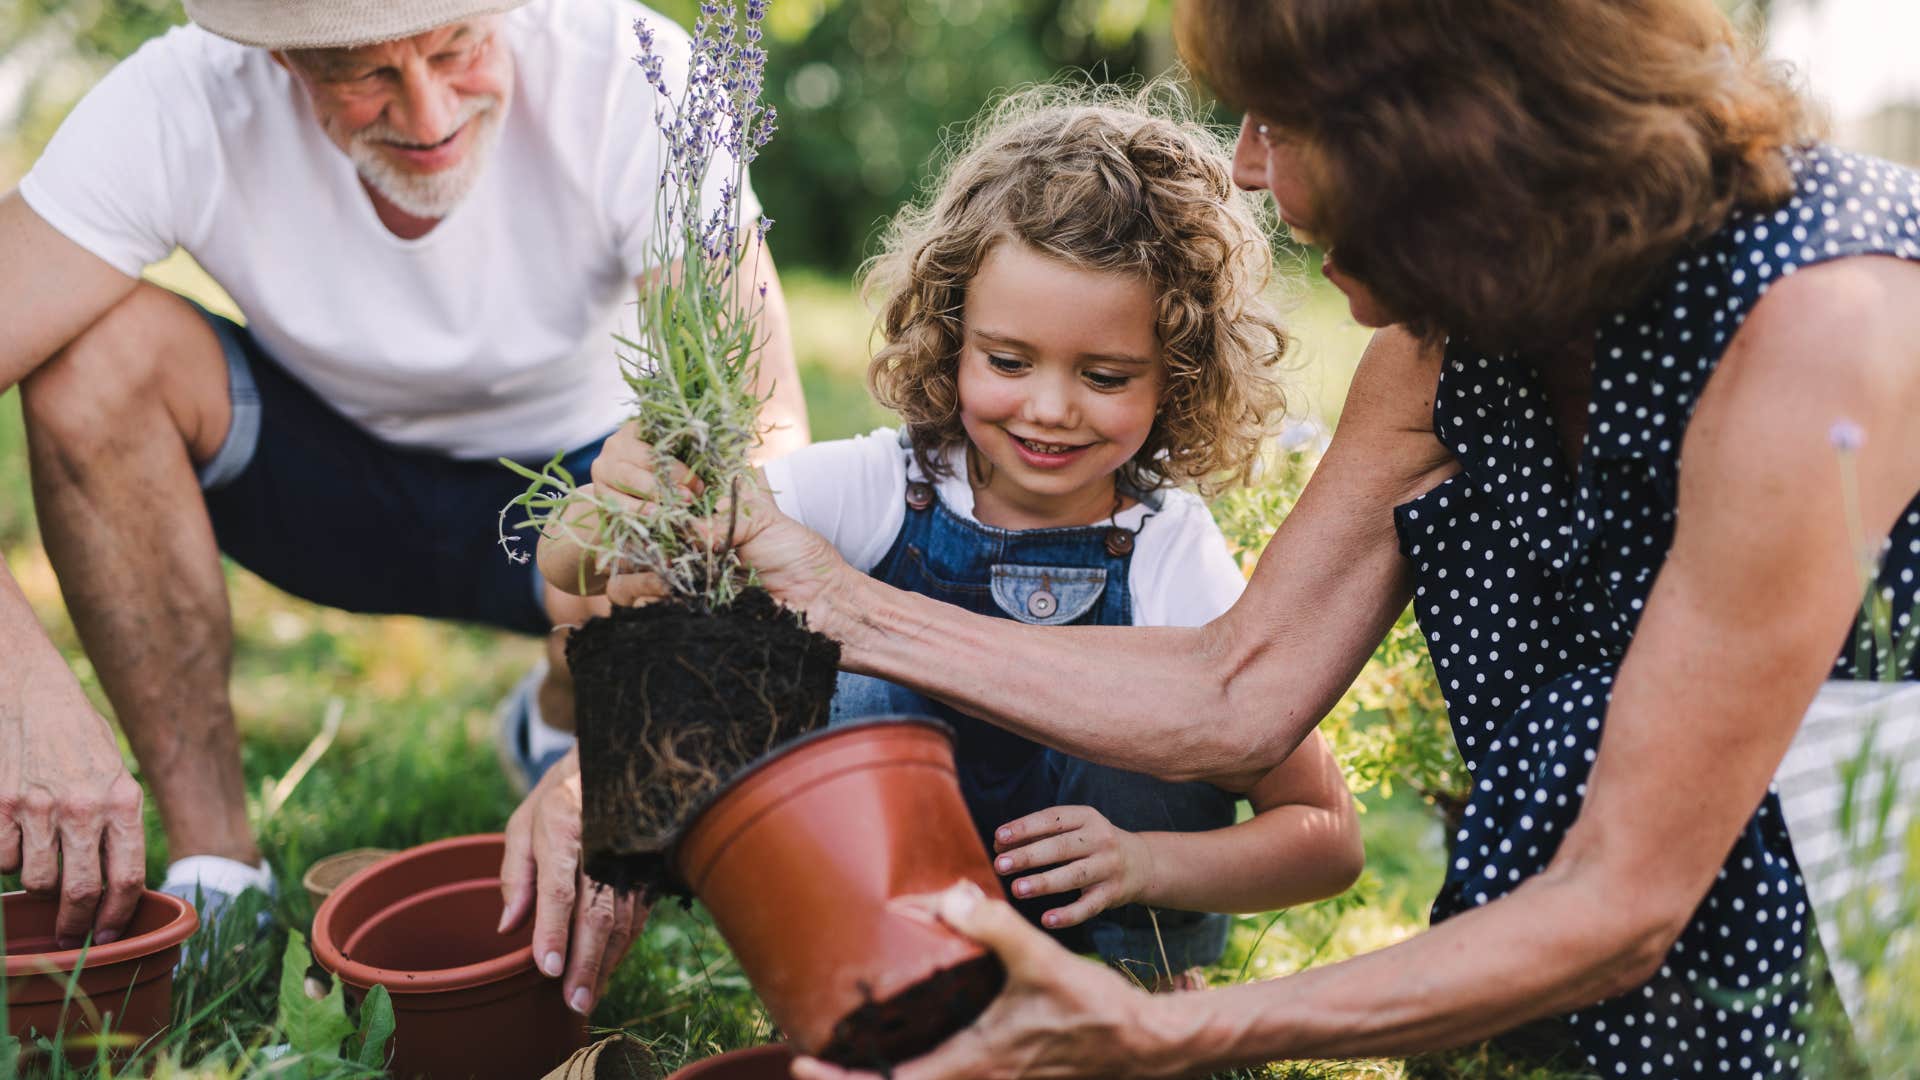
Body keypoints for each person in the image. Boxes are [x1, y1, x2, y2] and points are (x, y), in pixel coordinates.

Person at [535, 0, 1920, 1075]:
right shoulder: (1457, 341)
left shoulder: (1824, 337)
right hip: (1636, 919)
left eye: (1280, 118)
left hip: (1865, 902)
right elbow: (1237, 687)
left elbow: (1622, 896)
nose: (1247, 172)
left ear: (1455, 130)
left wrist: (1166, 1032)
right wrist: (648, 732)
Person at [0, 0, 806, 1019]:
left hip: (574, 501)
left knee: (685, 493)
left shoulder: (628, 72)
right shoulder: (180, 98)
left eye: (457, 47)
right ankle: (220, 869)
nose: (426, 114)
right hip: (319, 484)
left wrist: (624, 743)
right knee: (88, 361)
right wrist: (18, 681)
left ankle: (563, 714)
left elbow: (768, 438)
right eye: (362, 74)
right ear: (279, 55)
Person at [540, 91, 1365, 989]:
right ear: (951, 338)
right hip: (896, 937)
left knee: (1166, 714)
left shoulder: (1168, 548)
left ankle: (1148, 987)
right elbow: (580, 562)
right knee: (844, 676)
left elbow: (1325, 838)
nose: (1050, 408)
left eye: (1105, 374)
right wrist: (616, 498)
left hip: (1098, 949)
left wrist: (1147, 863)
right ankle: (874, 980)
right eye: (1008, 361)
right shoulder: (880, 488)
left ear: (1180, 374)